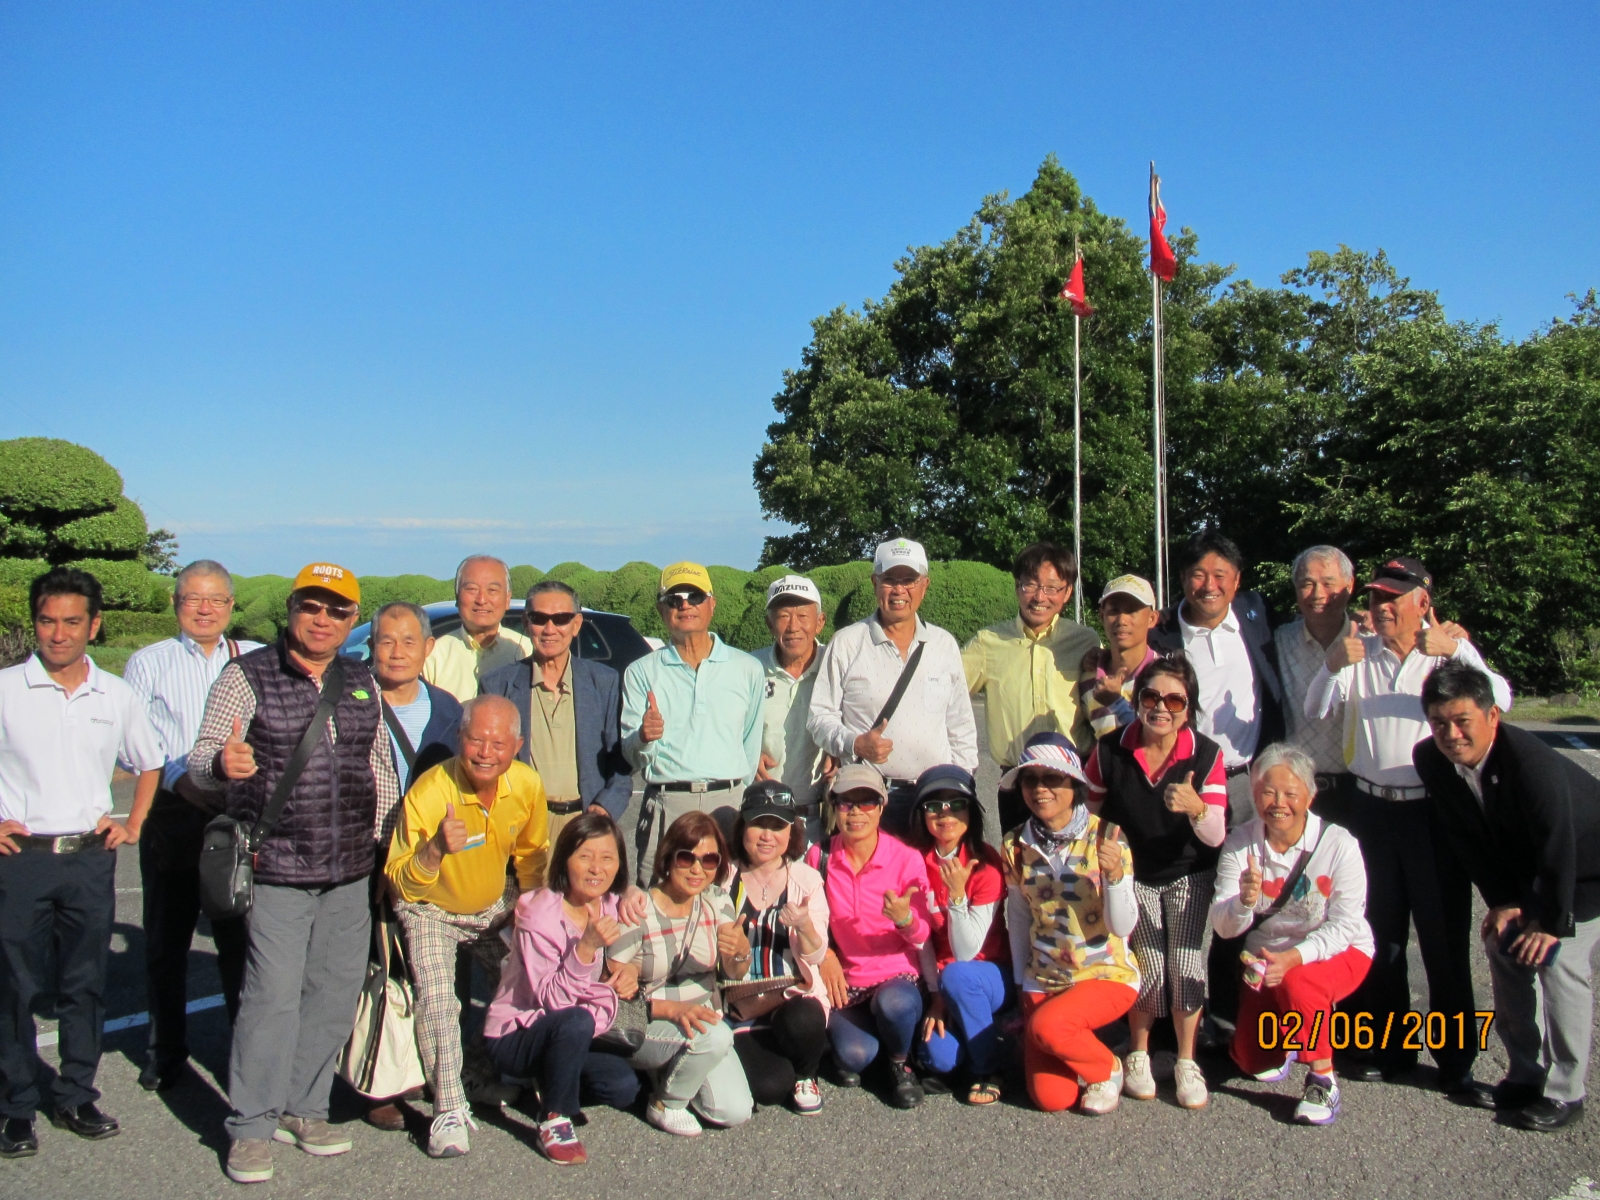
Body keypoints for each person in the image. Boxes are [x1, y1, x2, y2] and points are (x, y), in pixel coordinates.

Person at [188, 562, 399, 1185]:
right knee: (270, 1001)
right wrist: (223, 765)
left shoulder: (361, 679)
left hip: (351, 866)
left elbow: (378, 767)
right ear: (290, 608)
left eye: (337, 610)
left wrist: (388, 845)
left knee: (333, 995)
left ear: (352, 620)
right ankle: (250, 1125)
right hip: (277, 864)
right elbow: (200, 764)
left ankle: (305, 1107)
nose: (323, 619)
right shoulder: (246, 676)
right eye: (312, 606)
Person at [1304, 556, 1512, 1095]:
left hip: (1432, 809)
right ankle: (1384, 1047)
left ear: (1424, 604)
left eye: (1395, 597)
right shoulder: (1358, 653)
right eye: (1376, 597)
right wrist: (1330, 665)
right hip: (1370, 808)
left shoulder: (1445, 656)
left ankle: (1456, 1059)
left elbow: (1501, 700)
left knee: (1444, 937)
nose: (1383, 606)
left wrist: (1460, 651)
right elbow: (1315, 710)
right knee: (1380, 932)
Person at [0, 567, 164, 1160]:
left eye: (73, 621)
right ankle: (16, 1105)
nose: (59, 633)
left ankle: (76, 1093)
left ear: (94, 626)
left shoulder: (115, 694)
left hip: (90, 860)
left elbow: (149, 761)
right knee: (15, 987)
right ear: (35, 623)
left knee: (83, 984)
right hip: (22, 859)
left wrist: (134, 822)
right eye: (48, 620)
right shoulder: (6, 689)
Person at [1416, 663, 1600, 1132]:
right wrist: (1503, 903)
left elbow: (1558, 842)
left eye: (1462, 721)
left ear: (1492, 715)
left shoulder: (1528, 760)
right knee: (1503, 946)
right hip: (1532, 872)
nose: (1451, 734)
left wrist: (1546, 921)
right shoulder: (1432, 759)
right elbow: (1467, 839)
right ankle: (1524, 1074)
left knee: (1557, 961)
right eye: (1439, 723)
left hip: (1585, 870)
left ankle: (1566, 1091)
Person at [384, 695, 551, 1158]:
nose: (485, 751)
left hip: (491, 907)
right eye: (475, 739)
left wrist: (531, 914)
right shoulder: (430, 792)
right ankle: (448, 1109)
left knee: (524, 983)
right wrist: (434, 849)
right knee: (439, 1000)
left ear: (517, 745)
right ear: (459, 739)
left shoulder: (526, 785)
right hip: (429, 909)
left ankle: (475, 1071)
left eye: (498, 742)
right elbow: (400, 881)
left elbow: (532, 854)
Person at [123, 560, 262, 1094]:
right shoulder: (148, 662)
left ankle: (244, 1055)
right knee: (167, 936)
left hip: (235, 811)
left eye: (216, 600)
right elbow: (139, 738)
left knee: (239, 938)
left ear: (231, 606)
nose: (205, 609)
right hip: (173, 810)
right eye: (193, 599)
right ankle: (165, 1050)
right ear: (176, 604)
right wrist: (182, 779)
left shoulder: (250, 658)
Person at [1084, 654, 1227, 1110]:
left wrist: (1196, 807)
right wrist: (1106, 857)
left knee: (1183, 959)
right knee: (1146, 962)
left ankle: (1187, 1060)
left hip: (1189, 871)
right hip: (1134, 871)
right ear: (1136, 700)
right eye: (1150, 696)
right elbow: (1091, 813)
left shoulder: (1207, 754)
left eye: (1174, 699)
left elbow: (1216, 834)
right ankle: (1140, 1053)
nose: (1161, 707)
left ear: (1189, 706)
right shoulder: (1110, 749)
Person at [1210, 743, 1373, 1127]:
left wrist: (1295, 957)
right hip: (1265, 959)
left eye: (1290, 793)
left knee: (1299, 983)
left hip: (1337, 951)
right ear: (1253, 793)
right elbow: (1223, 926)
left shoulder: (1339, 844)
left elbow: (1347, 924)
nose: (1278, 803)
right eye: (1267, 792)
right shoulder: (1240, 843)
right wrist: (1244, 903)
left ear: (1310, 795)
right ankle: (1290, 1030)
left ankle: (1322, 1078)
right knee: (1252, 1060)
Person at [483, 813, 645, 1165]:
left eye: (607, 858)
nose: (596, 868)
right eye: (584, 856)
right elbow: (552, 1001)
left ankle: (547, 1079)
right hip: (517, 1032)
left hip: (570, 1031)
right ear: (564, 860)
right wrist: (585, 948)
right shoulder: (538, 917)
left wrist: (630, 968)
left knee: (623, 1088)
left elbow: (634, 910)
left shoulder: (606, 902)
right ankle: (554, 1117)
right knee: (574, 1021)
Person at [1001, 733, 1140, 1115]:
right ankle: (1071, 1040)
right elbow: (1019, 915)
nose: (1040, 789)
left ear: (1074, 784)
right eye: (1031, 779)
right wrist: (1019, 983)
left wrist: (1113, 879)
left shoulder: (1107, 836)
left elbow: (1124, 925)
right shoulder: (1015, 844)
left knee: (1049, 1029)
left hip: (1102, 973)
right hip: (1043, 978)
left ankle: (1106, 1069)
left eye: (1053, 779)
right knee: (1052, 1099)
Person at [809, 537, 978, 838]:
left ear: (924, 585)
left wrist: (962, 785)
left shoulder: (943, 644)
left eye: (909, 580)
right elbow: (819, 716)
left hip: (934, 801)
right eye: (889, 580)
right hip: (869, 800)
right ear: (875, 583)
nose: (899, 590)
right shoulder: (847, 643)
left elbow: (960, 724)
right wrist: (854, 743)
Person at [608, 811, 755, 1136]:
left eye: (709, 860)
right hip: (652, 1020)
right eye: (687, 857)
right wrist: (630, 971)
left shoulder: (716, 901)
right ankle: (665, 1103)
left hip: (704, 1018)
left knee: (735, 1111)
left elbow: (735, 971)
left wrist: (739, 951)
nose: (697, 869)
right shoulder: (640, 908)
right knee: (716, 1035)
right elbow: (616, 981)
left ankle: (680, 1069)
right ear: (668, 856)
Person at [621, 562, 764, 886]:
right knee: (657, 910)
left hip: (728, 804)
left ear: (711, 604)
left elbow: (750, 743)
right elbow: (631, 753)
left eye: (695, 595)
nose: (685, 604)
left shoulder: (747, 668)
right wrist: (644, 737)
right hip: (667, 804)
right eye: (674, 598)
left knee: (725, 912)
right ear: (661, 608)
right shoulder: (641, 671)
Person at [803, 763, 933, 1109]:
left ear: (882, 807)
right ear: (834, 806)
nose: (857, 812)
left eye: (867, 803)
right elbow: (810, 920)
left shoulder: (905, 859)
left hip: (896, 977)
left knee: (896, 1005)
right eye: (847, 803)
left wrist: (905, 919)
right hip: (846, 980)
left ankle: (899, 1062)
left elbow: (922, 936)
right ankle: (875, 1044)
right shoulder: (820, 856)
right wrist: (826, 955)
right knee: (855, 1057)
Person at [963, 542, 1101, 835]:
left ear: (1067, 592)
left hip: (1074, 780)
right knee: (1019, 871)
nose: (1040, 597)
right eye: (1030, 585)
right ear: (1017, 587)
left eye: (1052, 587)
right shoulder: (989, 642)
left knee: (1079, 871)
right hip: (1017, 782)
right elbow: (947, 691)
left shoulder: (1085, 641)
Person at [481, 579, 632, 843]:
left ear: (576, 624)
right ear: (527, 623)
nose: (549, 629)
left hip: (585, 826)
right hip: (522, 828)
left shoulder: (604, 682)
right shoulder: (498, 685)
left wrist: (605, 808)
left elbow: (620, 761)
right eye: (539, 618)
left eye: (561, 618)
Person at [1151, 531, 1284, 828]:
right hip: (1191, 779)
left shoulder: (1257, 613)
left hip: (1252, 778)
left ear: (1237, 580)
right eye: (1199, 575)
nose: (1210, 586)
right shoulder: (1161, 636)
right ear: (1183, 578)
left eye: (1220, 575)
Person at [724, 781, 832, 1114]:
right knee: (769, 1089)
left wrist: (804, 926)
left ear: (791, 832)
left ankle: (806, 1073)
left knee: (806, 1020)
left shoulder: (806, 879)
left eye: (777, 826)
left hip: (791, 996)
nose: (767, 835)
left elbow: (815, 954)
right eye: (759, 823)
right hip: (739, 1001)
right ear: (743, 826)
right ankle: (771, 1057)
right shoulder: (723, 877)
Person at [908, 765, 1012, 1105]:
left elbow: (967, 952)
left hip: (989, 974)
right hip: (943, 980)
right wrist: (937, 997)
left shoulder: (986, 862)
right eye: (933, 806)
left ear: (972, 811)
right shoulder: (914, 863)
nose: (945, 814)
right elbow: (922, 939)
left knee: (959, 974)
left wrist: (956, 897)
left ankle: (987, 1069)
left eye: (956, 804)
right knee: (939, 1059)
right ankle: (992, 1037)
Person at [1273, 546, 1361, 828]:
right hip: (1298, 790)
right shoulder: (1278, 641)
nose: (1317, 594)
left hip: (1360, 790)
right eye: (1306, 584)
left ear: (1349, 586)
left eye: (1328, 583)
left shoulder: (1371, 642)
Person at [752, 575, 830, 846]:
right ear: (769, 623)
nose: (793, 626)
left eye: (802, 615)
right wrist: (746, 752)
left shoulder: (837, 666)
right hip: (762, 815)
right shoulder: (749, 668)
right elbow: (724, 727)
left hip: (822, 819)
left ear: (820, 621)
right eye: (783, 616)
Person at [370, 601, 462, 793]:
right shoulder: (352, 706)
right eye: (387, 643)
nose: (397, 653)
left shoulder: (449, 711)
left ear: (428, 647)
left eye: (408, 643)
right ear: (372, 646)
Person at [423, 556, 533, 702]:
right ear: (457, 596)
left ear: (507, 599)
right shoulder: (433, 656)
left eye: (492, 590)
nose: (481, 600)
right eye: (472, 589)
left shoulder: (526, 650)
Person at [1078, 574, 1161, 741]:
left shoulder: (1165, 677)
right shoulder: (1088, 680)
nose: (1122, 620)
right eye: (1114, 610)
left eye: (1132, 611)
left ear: (1152, 619)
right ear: (1102, 616)